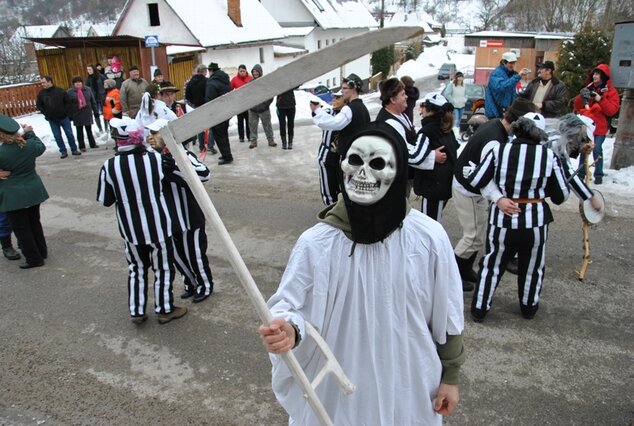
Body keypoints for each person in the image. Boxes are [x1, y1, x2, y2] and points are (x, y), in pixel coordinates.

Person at [258, 123, 465, 425]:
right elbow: (290, 304)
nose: (363, 174)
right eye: (355, 161)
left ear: (400, 172)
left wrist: (451, 376)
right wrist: (288, 330)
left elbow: (447, 312)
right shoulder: (317, 243)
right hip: (337, 391)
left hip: (408, 384)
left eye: (378, 164)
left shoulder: (428, 239)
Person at [467, 115, 570, 322]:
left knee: (492, 264)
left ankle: (480, 308)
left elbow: (476, 179)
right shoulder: (549, 156)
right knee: (532, 266)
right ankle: (528, 306)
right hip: (535, 222)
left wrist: (498, 197)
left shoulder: (500, 150)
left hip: (502, 221)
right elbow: (561, 196)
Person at [96, 117, 187, 324]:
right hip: (159, 226)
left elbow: (105, 200)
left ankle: (137, 310)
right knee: (162, 267)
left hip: (130, 229)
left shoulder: (109, 166)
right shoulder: (154, 158)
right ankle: (164, 308)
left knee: (136, 268)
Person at [452, 97, 535, 291]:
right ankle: (451, 275)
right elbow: (484, 177)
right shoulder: (495, 141)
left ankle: (464, 270)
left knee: (478, 234)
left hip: (468, 186)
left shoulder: (495, 124)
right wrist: (499, 199)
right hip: (468, 190)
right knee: (473, 237)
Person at [145, 119, 214, 303]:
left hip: (189, 215)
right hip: (167, 218)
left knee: (195, 254)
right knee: (176, 255)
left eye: (155, 133)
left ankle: (204, 284)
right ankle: (190, 283)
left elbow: (205, 174)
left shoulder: (182, 154)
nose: (151, 138)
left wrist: (176, 168)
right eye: (149, 133)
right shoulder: (150, 158)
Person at [0, 115, 49, 269]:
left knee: (22, 228)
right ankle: (41, 251)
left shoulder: (2, 153)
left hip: (13, 196)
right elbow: (40, 146)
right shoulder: (29, 145)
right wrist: (30, 133)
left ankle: (34, 258)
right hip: (33, 191)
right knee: (34, 222)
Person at [413, 93, 459, 222]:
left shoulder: (427, 131)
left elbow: (416, 157)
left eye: (422, 105)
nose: (420, 109)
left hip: (434, 187)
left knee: (429, 224)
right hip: (443, 184)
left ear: (428, 109)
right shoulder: (445, 128)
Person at [573, 63, 621, 185]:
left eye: (598, 75)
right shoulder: (588, 88)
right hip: (588, 124)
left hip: (601, 126)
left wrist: (601, 99)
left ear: (603, 77)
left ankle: (598, 175)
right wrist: (581, 96)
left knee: (597, 149)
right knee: (584, 149)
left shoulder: (611, 92)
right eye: (594, 74)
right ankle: (581, 173)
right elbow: (577, 106)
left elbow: (612, 110)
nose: (595, 76)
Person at [310, 73, 370, 157]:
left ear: (354, 89)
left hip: (350, 156)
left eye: (345, 88)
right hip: (359, 155)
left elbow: (334, 123)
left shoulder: (349, 109)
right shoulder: (363, 108)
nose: (342, 91)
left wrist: (317, 110)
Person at [36, 75, 81, 159]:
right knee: (57, 136)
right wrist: (46, 113)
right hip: (52, 119)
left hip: (63, 117)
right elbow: (39, 105)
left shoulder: (60, 91)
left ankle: (74, 149)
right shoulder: (41, 94)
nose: (42, 84)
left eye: (44, 82)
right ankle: (63, 151)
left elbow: (67, 103)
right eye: (41, 83)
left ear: (49, 82)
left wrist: (66, 113)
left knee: (69, 134)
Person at [316, 90, 344, 205]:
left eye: (338, 98)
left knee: (342, 185)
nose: (334, 101)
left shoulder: (348, 114)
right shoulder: (329, 112)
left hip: (342, 157)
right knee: (328, 186)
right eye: (334, 98)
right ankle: (330, 209)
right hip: (327, 155)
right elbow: (319, 117)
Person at [485, 51, 531, 119]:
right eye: (511, 63)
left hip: (505, 112)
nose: (512, 65)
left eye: (514, 63)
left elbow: (512, 94)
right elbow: (502, 87)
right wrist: (518, 76)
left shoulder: (511, 74)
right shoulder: (496, 73)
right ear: (504, 62)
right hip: (495, 113)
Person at [205, 62, 233, 164]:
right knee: (224, 134)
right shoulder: (225, 80)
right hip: (226, 111)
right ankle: (227, 154)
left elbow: (209, 100)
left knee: (219, 136)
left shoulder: (212, 82)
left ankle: (227, 157)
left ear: (211, 71)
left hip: (217, 113)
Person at [185, 64, 216, 154]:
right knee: (211, 126)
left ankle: (202, 146)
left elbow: (187, 96)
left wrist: (194, 103)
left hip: (196, 107)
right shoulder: (207, 81)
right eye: (206, 71)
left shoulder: (190, 82)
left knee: (200, 127)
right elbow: (210, 93)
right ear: (204, 71)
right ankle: (210, 145)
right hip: (206, 106)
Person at [67, 76, 99, 151]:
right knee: (79, 130)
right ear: (73, 84)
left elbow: (93, 101)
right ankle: (82, 146)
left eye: (79, 82)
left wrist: (95, 111)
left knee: (89, 129)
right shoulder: (70, 92)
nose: (78, 83)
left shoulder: (88, 89)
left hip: (87, 112)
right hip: (77, 113)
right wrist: (70, 115)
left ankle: (92, 144)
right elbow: (68, 105)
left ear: (82, 83)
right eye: (76, 82)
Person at [248, 64, 276, 149]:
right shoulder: (250, 83)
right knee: (252, 126)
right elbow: (247, 95)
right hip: (253, 110)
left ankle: (270, 140)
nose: (255, 73)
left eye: (256, 71)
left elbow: (271, 94)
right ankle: (253, 141)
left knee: (267, 125)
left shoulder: (265, 82)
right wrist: (251, 104)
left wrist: (265, 104)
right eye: (254, 71)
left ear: (260, 72)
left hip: (264, 109)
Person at [229, 64, 252, 143]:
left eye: (243, 71)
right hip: (239, 104)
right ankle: (241, 137)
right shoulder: (235, 79)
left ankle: (249, 136)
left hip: (248, 103)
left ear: (246, 71)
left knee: (249, 121)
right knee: (240, 121)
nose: (242, 72)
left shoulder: (250, 78)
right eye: (240, 71)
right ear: (238, 71)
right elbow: (229, 89)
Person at [85, 64, 106, 132]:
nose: (89, 71)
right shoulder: (88, 79)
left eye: (90, 69)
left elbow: (106, 84)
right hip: (94, 99)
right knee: (96, 114)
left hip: (102, 97)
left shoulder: (100, 76)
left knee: (105, 113)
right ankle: (100, 129)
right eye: (87, 70)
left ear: (93, 69)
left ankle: (106, 128)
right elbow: (86, 89)